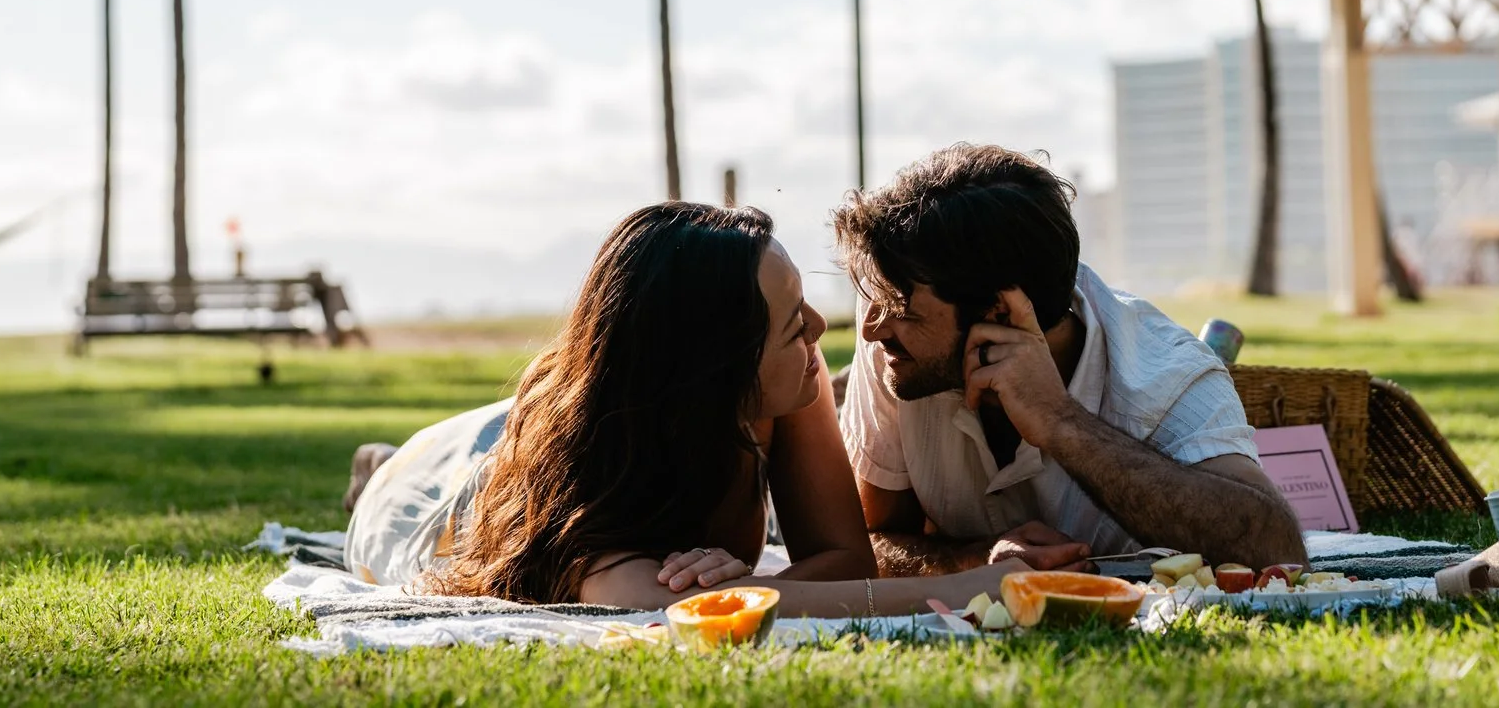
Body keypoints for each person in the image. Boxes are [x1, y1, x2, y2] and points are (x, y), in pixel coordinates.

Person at [361, 202, 1034, 615]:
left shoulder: (782, 385)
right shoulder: (584, 515)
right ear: (717, 369)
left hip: (534, 414)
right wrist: (990, 583)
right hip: (439, 497)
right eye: (789, 320)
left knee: (522, 414)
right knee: (415, 480)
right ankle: (376, 468)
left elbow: (845, 563)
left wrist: (773, 581)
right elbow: (684, 607)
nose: (819, 324)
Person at [834, 144, 1303, 573]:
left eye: (899, 308)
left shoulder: (1168, 378)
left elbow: (1277, 550)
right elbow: (867, 542)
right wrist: (974, 559)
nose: (872, 329)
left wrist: (1061, 422)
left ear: (997, 312)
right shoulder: (896, 344)